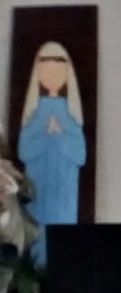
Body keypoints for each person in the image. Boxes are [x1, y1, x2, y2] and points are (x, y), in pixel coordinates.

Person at [17, 41, 85, 269]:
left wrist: (59, 137)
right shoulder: (35, 114)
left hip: (64, 191)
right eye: (46, 73)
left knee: (61, 236)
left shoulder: (71, 114)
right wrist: (47, 137)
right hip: (39, 186)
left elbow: (80, 155)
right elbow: (24, 151)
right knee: (37, 235)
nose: (52, 78)